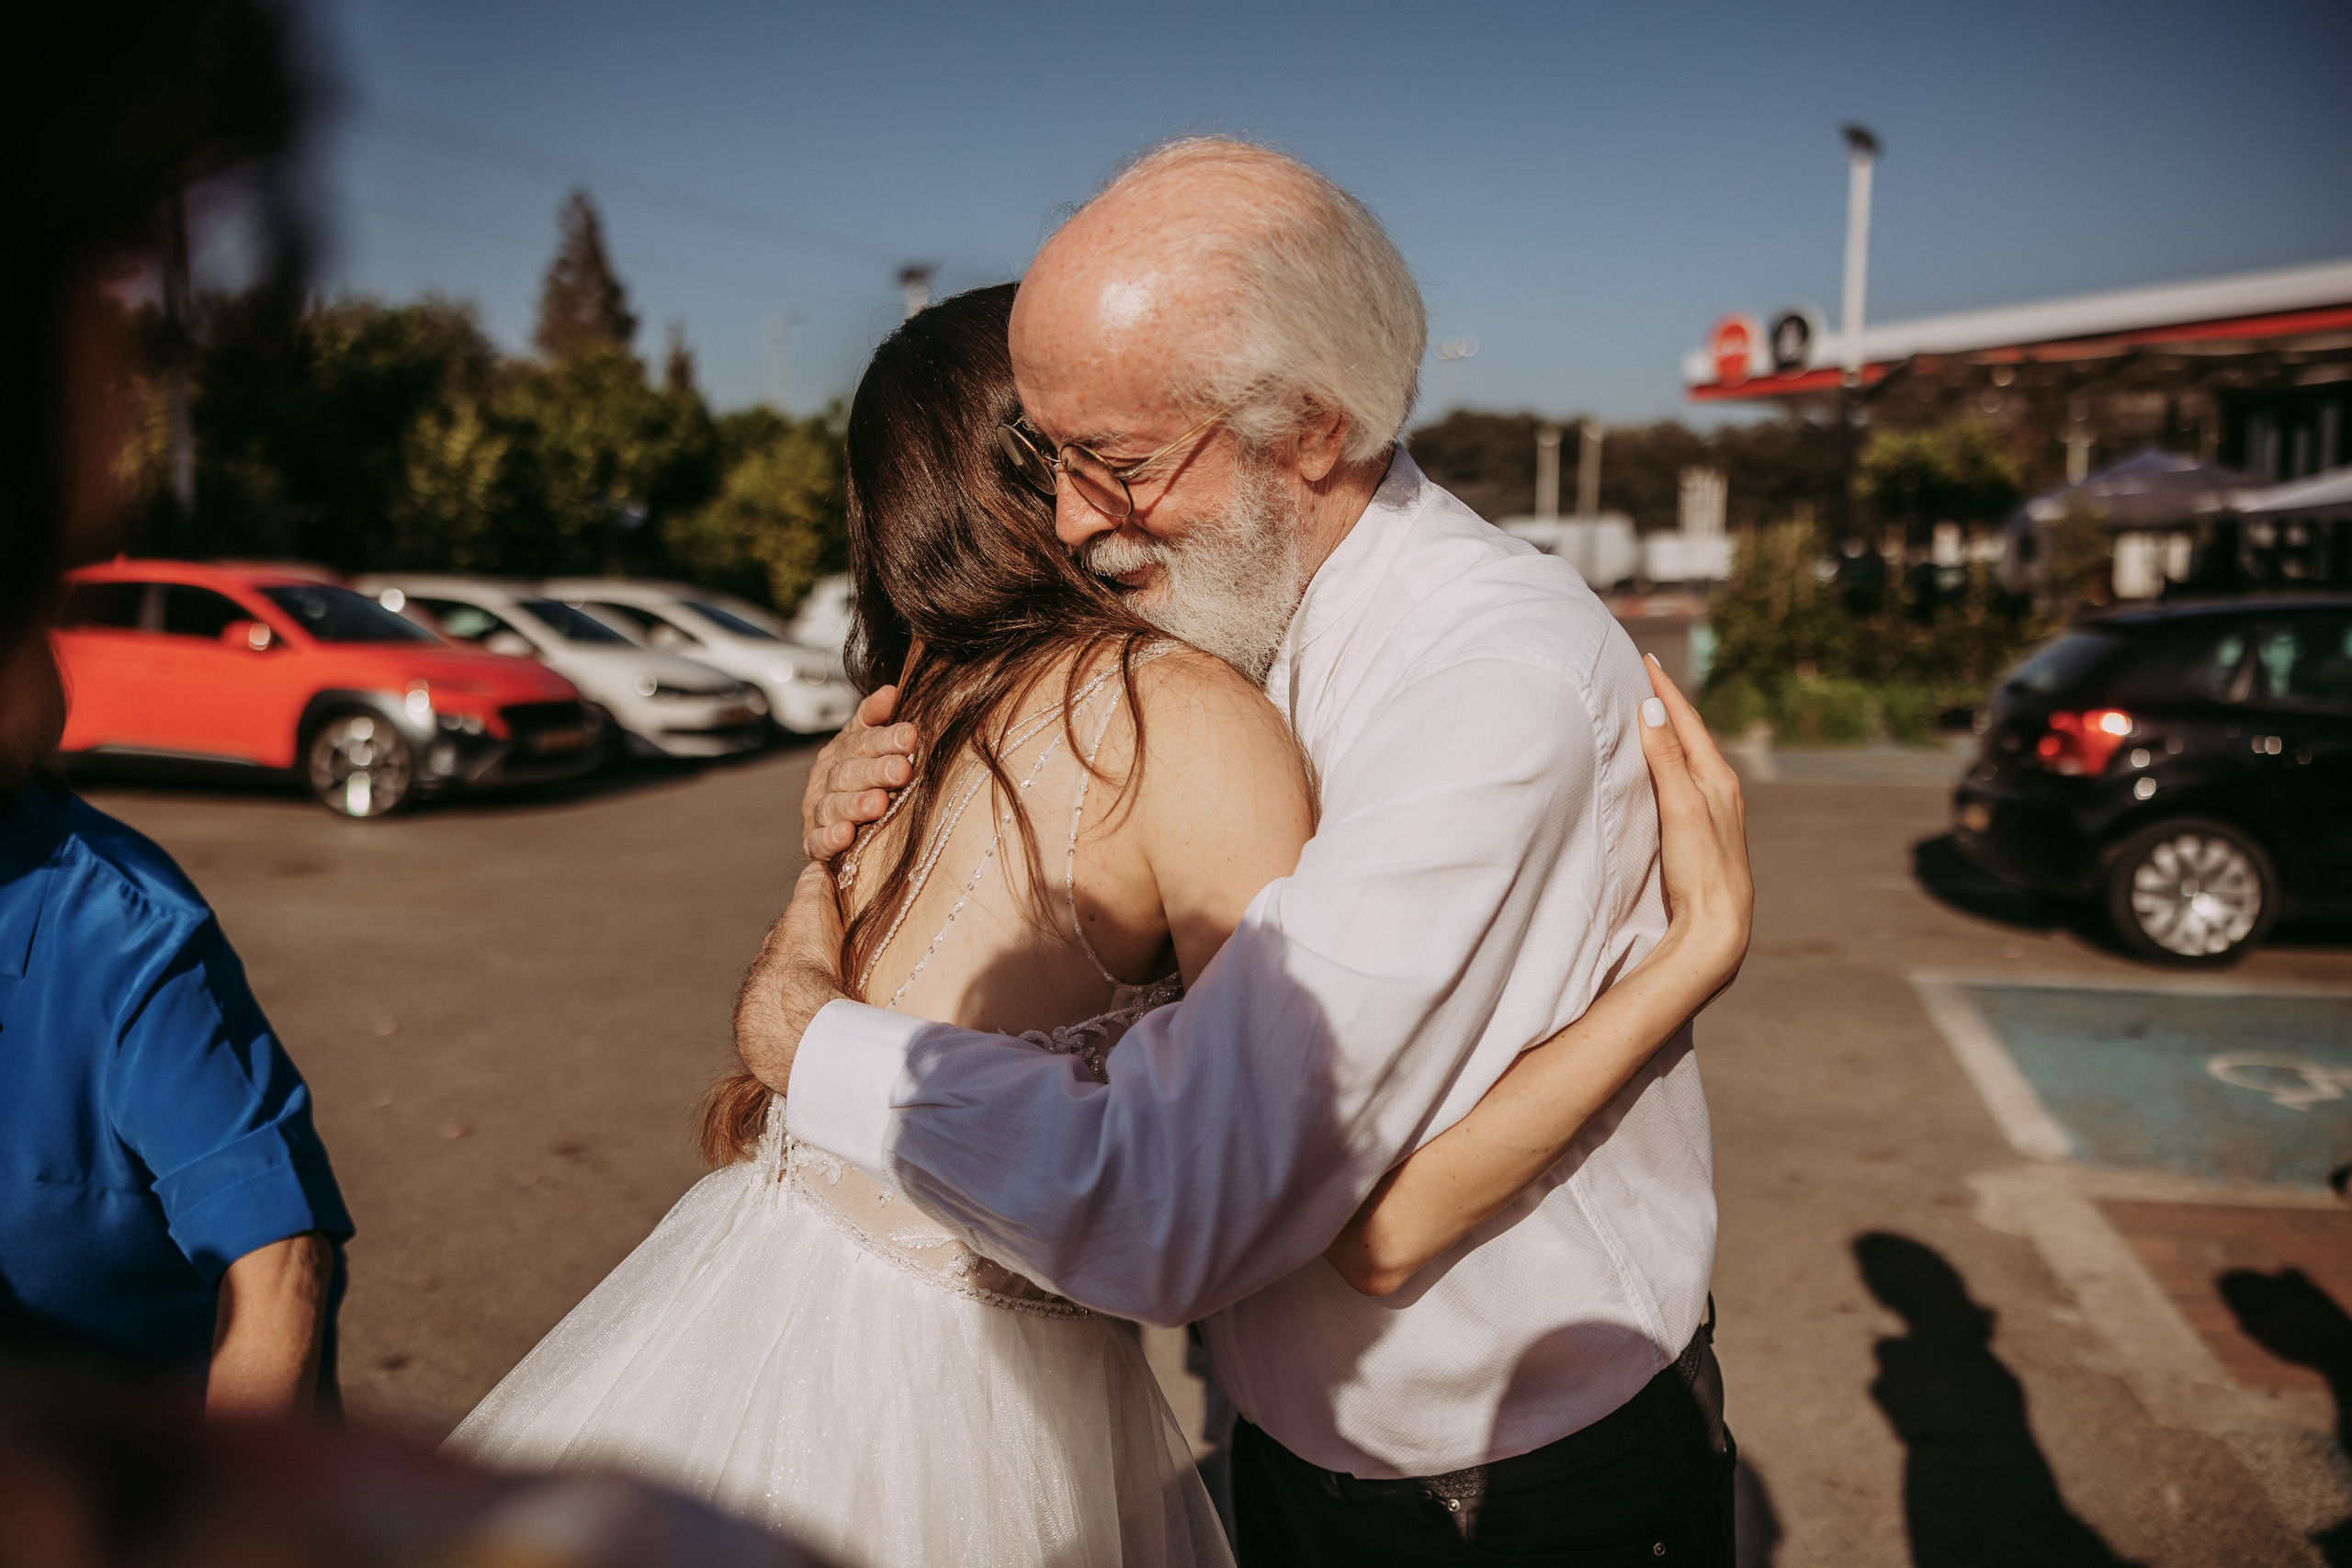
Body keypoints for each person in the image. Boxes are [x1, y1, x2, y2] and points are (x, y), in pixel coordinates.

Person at [451, 280, 1747, 1566]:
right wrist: (1688, 959)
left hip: (756, 1319)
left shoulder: (932, 698)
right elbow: (1341, 1209)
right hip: (954, 1396)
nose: (1096, 496)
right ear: (1036, 467)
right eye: (1084, 447)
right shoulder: (1176, 712)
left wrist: (799, 945)